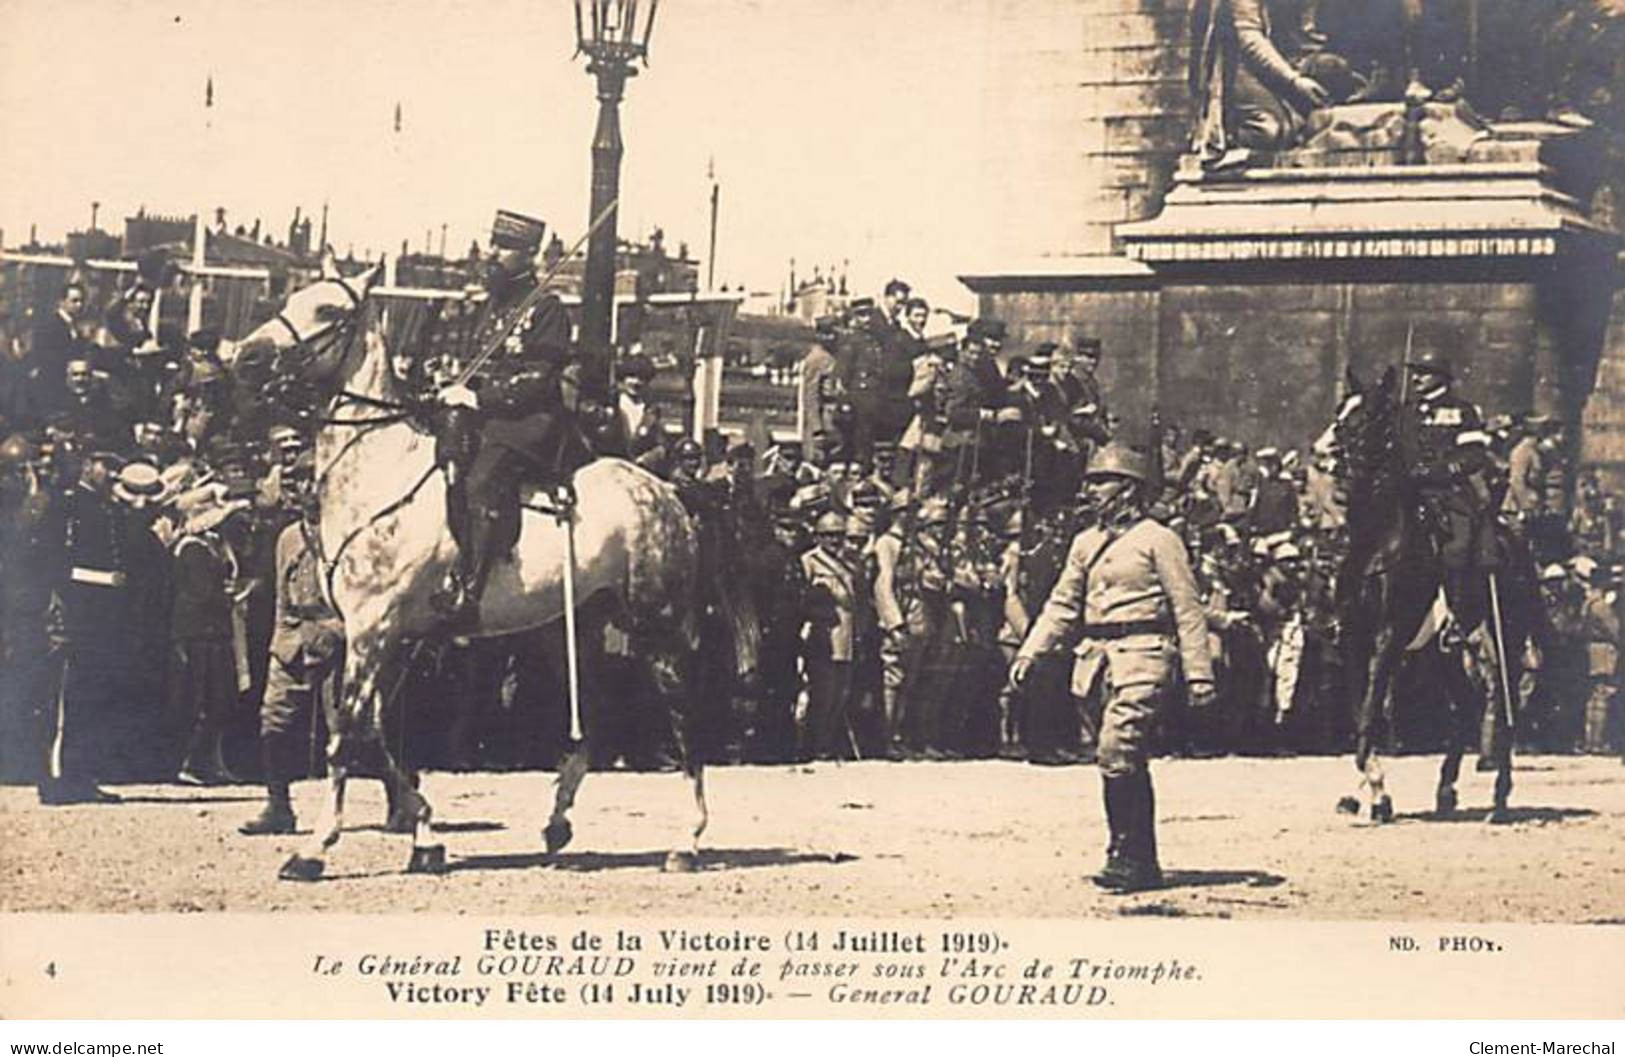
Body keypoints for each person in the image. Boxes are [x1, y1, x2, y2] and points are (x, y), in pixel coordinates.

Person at [1010, 443, 1215, 892]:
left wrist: (1199, 672)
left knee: (1116, 750)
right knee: (1120, 761)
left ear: (1127, 489)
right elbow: (1063, 603)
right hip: (1095, 660)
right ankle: (1135, 854)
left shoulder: (1160, 539)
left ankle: (1127, 855)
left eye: (1100, 481)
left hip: (1143, 652)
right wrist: (1032, 650)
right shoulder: (1085, 543)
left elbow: (1187, 608)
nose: (1092, 490)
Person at [432, 209, 583, 627]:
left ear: (529, 254)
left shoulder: (547, 309)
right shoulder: (494, 307)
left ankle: (470, 588)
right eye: (493, 243)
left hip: (527, 424)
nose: (492, 253)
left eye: (504, 247)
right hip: (485, 416)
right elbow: (477, 366)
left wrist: (479, 399)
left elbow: (536, 380)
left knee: (481, 480)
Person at [240, 490, 345, 835]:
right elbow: (282, 596)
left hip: (335, 637)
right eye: (300, 485)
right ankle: (278, 806)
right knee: (273, 719)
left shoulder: (345, 533)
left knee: (349, 728)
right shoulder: (287, 537)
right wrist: (281, 639)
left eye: (315, 485)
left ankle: (400, 799)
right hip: (291, 640)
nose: (309, 495)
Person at [1395, 347, 1495, 607]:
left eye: (1423, 373)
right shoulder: (1405, 413)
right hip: (1408, 493)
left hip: (1448, 494)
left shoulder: (1463, 411)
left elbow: (1474, 456)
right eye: (1414, 373)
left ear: (1440, 376)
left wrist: (1437, 471)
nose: (1415, 378)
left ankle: (1457, 611)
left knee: (1458, 547)